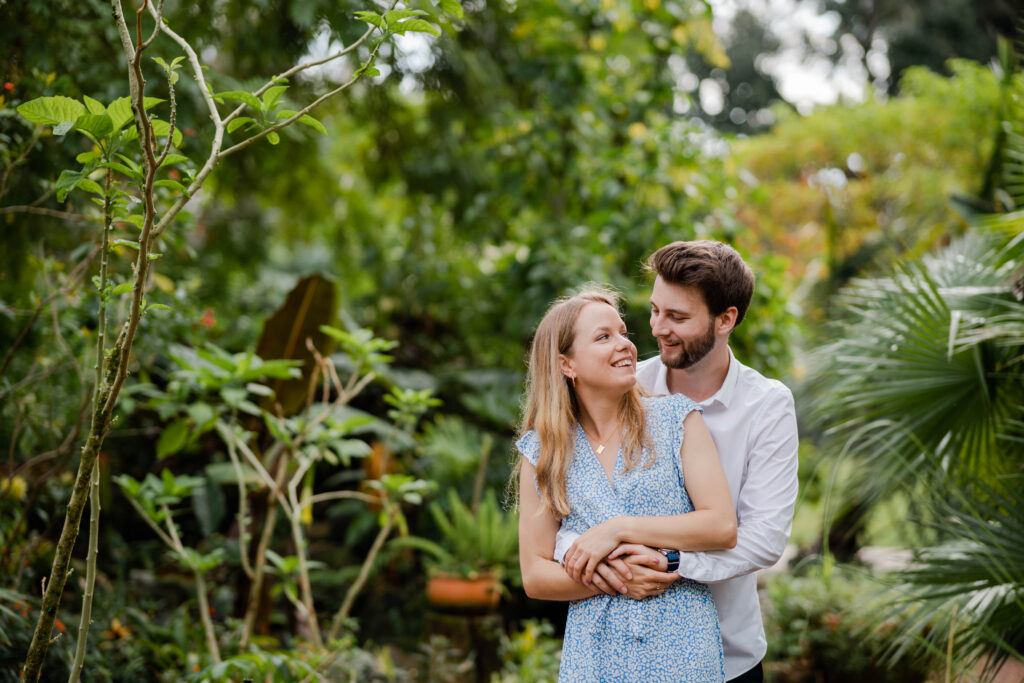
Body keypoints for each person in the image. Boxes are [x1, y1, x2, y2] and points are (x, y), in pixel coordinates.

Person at [555, 241, 800, 683]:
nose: (657, 329)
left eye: (678, 318)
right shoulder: (626, 385)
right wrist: (608, 566)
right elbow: (572, 502)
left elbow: (763, 539)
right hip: (622, 657)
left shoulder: (766, 405)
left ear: (726, 319)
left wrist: (668, 563)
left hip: (730, 657)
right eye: (654, 311)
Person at [516, 286, 737, 682]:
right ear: (567, 364)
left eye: (623, 333)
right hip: (594, 658)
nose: (626, 345)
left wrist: (616, 530)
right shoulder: (542, 453)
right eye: (604, 337)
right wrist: (616, 579)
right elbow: (534, 575)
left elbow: (721, 526)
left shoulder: (677, 420)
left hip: (682, 650)